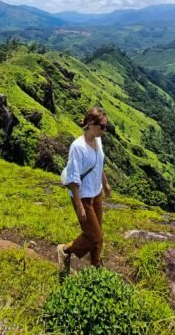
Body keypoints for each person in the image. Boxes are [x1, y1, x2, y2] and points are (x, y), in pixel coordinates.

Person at [57, 107, 112, 272]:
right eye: (101, 126)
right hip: (84, 197)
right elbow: (73, 179)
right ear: (89, 124)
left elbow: (98, 164)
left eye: (105, 126)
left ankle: (95, 265)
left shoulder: (98, 140)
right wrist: (79, 204)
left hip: (97, 192)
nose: (104, 130)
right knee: (95, 236)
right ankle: (65, 250)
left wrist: (106, 183)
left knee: (98, 234)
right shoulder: (77, 147)